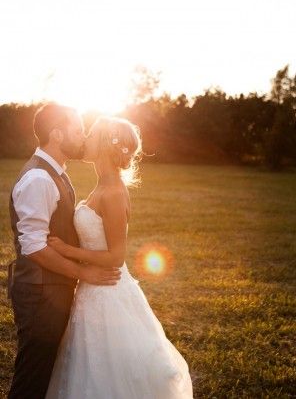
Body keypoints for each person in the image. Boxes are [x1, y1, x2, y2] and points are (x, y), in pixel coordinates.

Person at [45, 116, 194, 398]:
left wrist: (66, 251)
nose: (84, 139)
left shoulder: (112, 192)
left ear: (101, 145)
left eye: (89, 134)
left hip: (108, 292)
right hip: (91, 290)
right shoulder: (101, 185)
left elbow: (115, 257)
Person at [8, 104, 121, 399]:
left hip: (51, 289)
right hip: (39, 292)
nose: (83, 135)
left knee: (45, 371)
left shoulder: (55, 172)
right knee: (33, 376)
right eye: (77, 129)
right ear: (57, 135)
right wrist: (84, 272)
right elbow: (33, 247)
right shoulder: (39, 179)